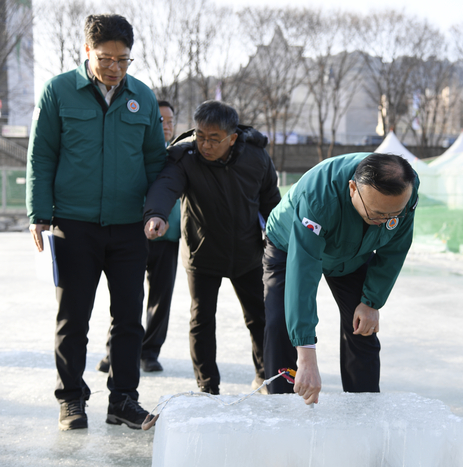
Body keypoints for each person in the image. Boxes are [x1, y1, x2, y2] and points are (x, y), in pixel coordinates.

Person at [26, 14, 166, 430]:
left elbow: (157, 162)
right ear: (87, 51)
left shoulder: (143, 96)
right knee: (73, 318)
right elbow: (42, 155)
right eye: (106, 58)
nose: (115, 69)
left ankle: (123, 400)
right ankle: (71, 400)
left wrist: (157, 211)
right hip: (74, 224)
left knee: (127, 318)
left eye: (124, 60)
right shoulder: (59, 92)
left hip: (129, 228)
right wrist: (39, 215)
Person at [143, 100, 280, 395]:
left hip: (247, 252)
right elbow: (166, 184)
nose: (205, 144)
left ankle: (265, 374)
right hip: (201, 252)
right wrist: (155, 213)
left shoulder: (256, 157)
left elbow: (271, 200)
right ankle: (208, 386)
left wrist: (282, 236)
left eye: (214, 139)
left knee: (260, 317)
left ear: (232, 138)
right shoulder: (185, 156)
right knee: (202, 319)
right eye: (201, 135)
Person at [263, 153, 419, 404]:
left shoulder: (405, 186)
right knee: (281, 321)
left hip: (353, 252)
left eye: (393, 215)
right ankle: (283, 404)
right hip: (289, 244)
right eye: (377, 213)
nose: (385, 223)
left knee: (362, 327)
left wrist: (371, 302)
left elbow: (395, 249)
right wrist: (306, 356)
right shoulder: (319, 196)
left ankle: (363, 407)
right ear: (353, 188)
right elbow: (303, 275)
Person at [97, 100, 181, 373]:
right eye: (160, 121)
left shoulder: (180, 156)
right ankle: (115, 351)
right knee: (126, 297)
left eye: (170, 121)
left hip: (167, 238)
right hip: (131, 233)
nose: (166, 126)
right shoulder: (132, 150)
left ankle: (149, 351)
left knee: (161, 296)